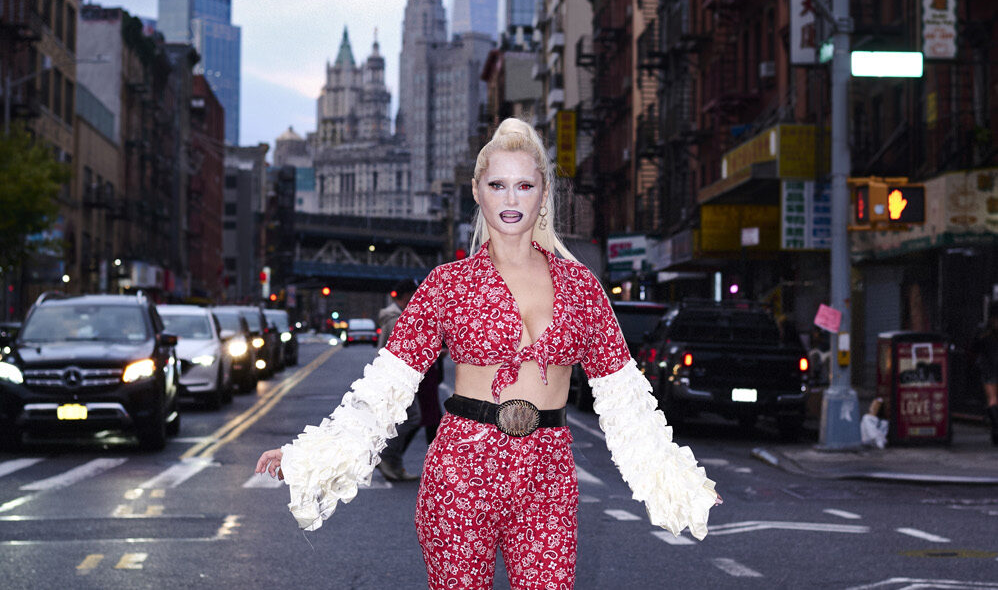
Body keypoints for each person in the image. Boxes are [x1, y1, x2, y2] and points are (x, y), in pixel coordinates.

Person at [256, 118, 721, 589]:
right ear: (478, 193)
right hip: (461, 472)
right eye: (497, 185)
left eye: (525, 186)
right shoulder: (447, 285)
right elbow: (385, 386)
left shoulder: (582, 287)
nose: (511, 199)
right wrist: (312, 457)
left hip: (547, 475)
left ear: (544, 195)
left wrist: (678, 480)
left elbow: (625, 399)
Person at [375, 278, 422, 482]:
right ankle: (386, 456)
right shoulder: (396, 320)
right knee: (412, 418)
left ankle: (395, 465)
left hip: (394, 375)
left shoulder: (396, 317)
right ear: (407, 295)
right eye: (415, 294)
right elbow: (400, 351)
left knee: (400, 419)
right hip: (398, 377)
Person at [972, 304, 998, 445]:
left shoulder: (984, 331)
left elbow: (974, 348)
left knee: (992, 399)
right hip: (991, 365)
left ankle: (996, 429)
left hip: (988, 367)